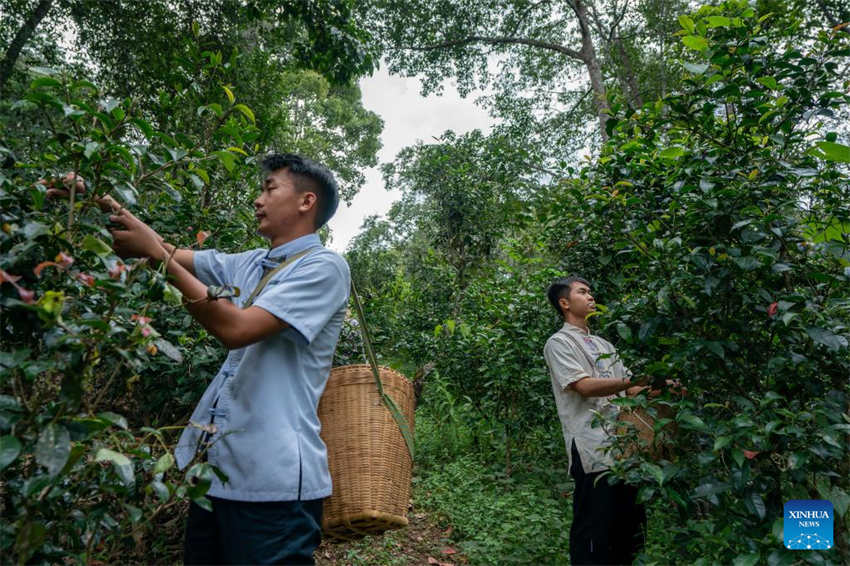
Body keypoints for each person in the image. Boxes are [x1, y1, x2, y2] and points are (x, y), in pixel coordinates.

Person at [48, 154, 350, 564]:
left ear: (306, 201)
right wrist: (99, 200)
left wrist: (160, 258)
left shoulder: (324, 268)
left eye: (270, 188)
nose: (258, 199)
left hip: (275, 488)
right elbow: (164, 248)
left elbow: (236, 328)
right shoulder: (250, 262)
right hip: (216, 478)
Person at [543, 276, 647, 565]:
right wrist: (633, 382)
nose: (591, 297)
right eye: (583, 292)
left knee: (628, 530)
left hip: (625, 448)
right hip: (592, 448)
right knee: (593, 532)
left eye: (591, 292)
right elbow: (584, 386)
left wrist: (661, 386)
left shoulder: (604, 344)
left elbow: (631, 389)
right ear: (564, 303)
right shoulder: (559, 343)